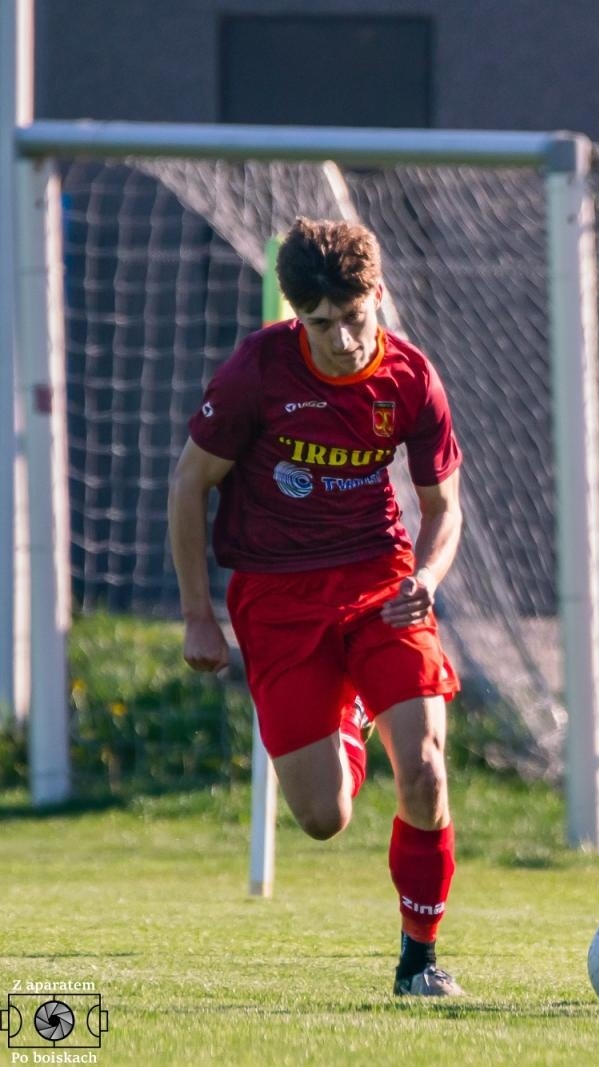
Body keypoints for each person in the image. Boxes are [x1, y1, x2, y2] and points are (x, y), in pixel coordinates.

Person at [168, 217, 467, 996]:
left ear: (379, 294)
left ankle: (419, 958)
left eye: (353, 317)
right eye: (319, 322)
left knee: (427, 773)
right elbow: (188, 485)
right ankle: (347, 710)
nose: (339, 338)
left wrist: (427, 579)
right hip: (277, 595)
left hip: (381, 583)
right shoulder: (255, 371)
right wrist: (199, 613)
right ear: (297, 314)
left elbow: (444, 507)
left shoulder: (410, 378)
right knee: (324, 815)